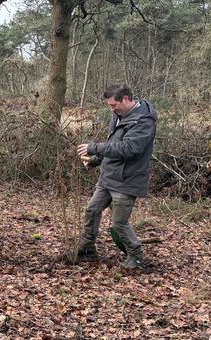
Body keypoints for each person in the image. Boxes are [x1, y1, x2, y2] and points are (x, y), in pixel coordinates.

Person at [75, 84, 157, 269]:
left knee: (119, 223)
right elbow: (114, 144)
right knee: (92, 211)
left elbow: (129, 149)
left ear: (126, 99)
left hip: (128, 180)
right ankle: (87, 251)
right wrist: (96, 160)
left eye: (114, 105)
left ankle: (136, 256)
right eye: (110, 106)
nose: (111, 109)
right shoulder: (119, 115)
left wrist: (94, 147)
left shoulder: (144, 122)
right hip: (108, 177)